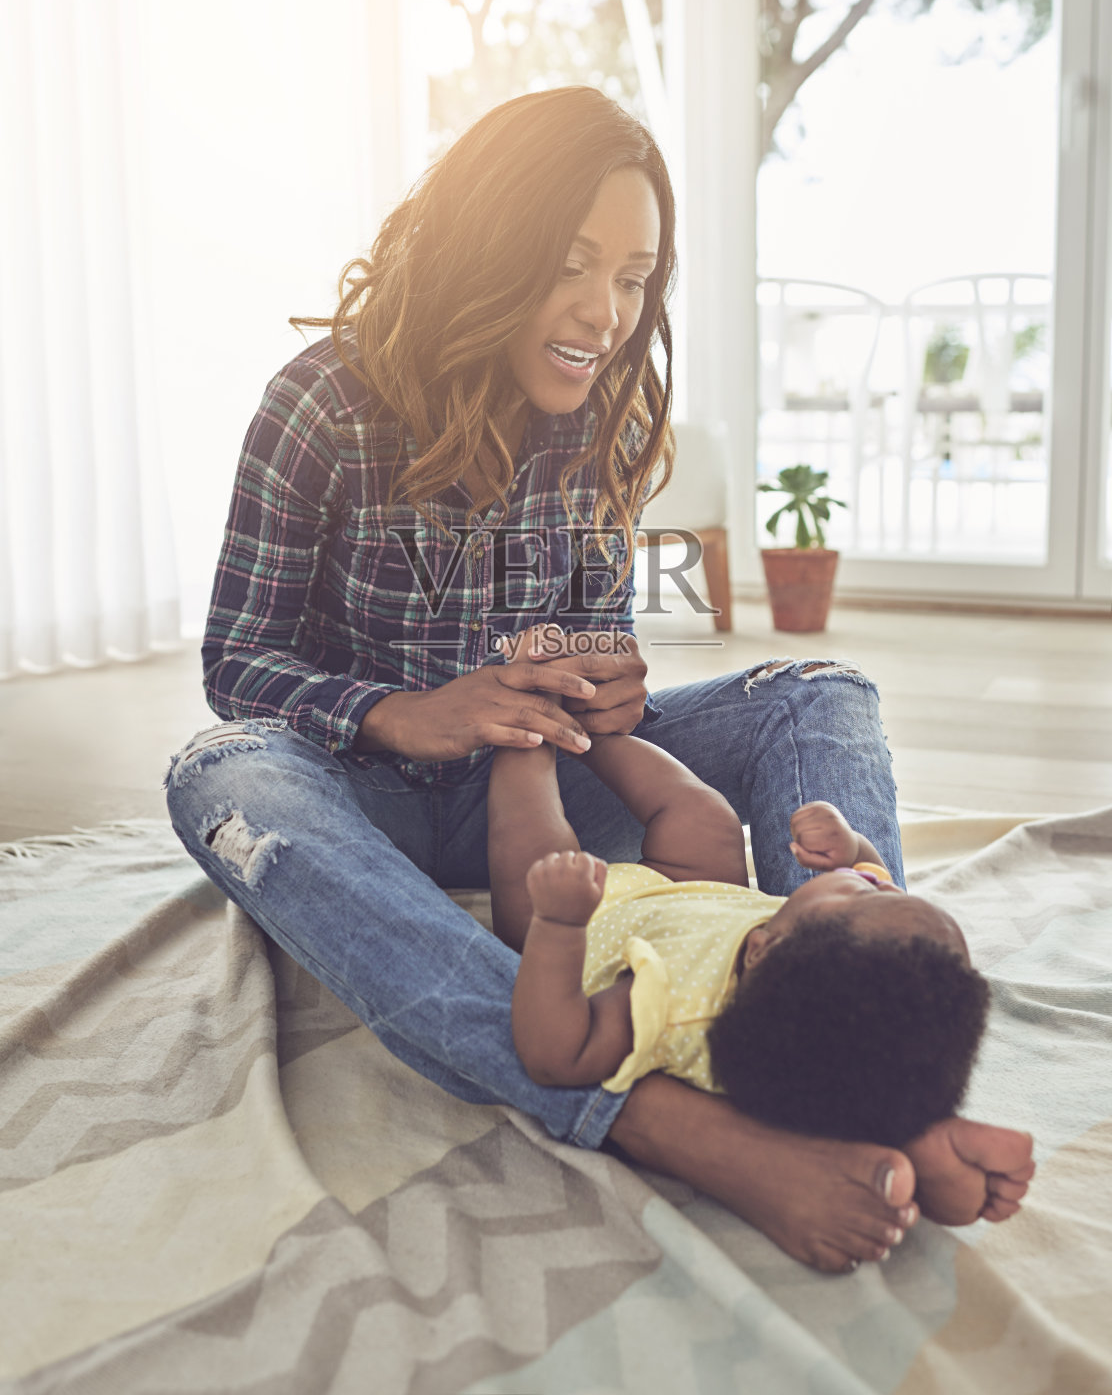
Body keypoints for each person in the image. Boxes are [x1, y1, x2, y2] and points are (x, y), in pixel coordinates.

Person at [164, 86, 1034, 1275]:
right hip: (356, 796)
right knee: (220, 772)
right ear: (485, 249)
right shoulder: (320, 400)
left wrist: (610, 692)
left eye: (633, 277)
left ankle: (867, 1052)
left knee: (818, 689)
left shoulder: (605, 423)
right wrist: (402, 713)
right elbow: (238, 658)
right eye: (571, 266)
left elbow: (598, 640)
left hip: (537, 797)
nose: (605, 314)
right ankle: (663, 1118)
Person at [486, 720, 991, 1154]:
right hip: (695, 892)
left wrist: (559, 925)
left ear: (761, 946)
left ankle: (526, 738)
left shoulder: (675, 1005)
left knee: (531, 836)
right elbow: (874, 877)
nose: (871, 879)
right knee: (709, 821)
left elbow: (557, 1055)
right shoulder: (815, 964)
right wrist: (851, 845)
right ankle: (592, 733)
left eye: (863, 893)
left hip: (585, 914)